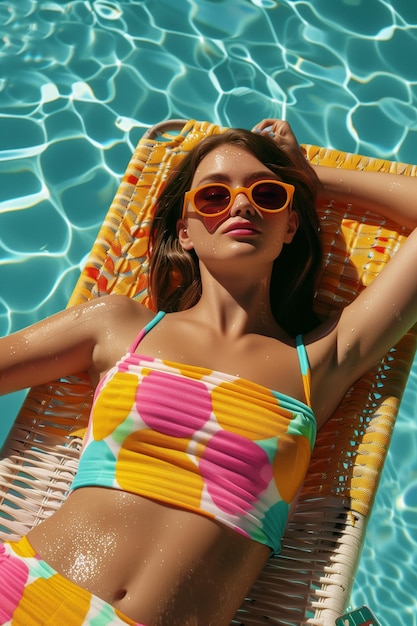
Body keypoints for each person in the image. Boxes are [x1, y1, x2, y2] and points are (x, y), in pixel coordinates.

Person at [1, 118, 416, 626]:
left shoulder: (323, 358)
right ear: (185, 231)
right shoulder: (119, 324)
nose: (242, 204)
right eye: (214, 196)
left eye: (266, 194)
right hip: (24, 593)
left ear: (290, 226)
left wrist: (307, 175)